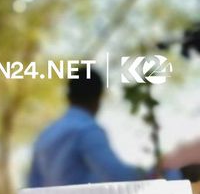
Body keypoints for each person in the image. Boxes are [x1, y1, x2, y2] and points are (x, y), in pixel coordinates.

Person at [28, 69, 180, 187]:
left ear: (68, 97)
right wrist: (157, 172)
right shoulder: (86, 130)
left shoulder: (45, 135)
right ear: (98, 98)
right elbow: (117, 176)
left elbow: (33, 185)